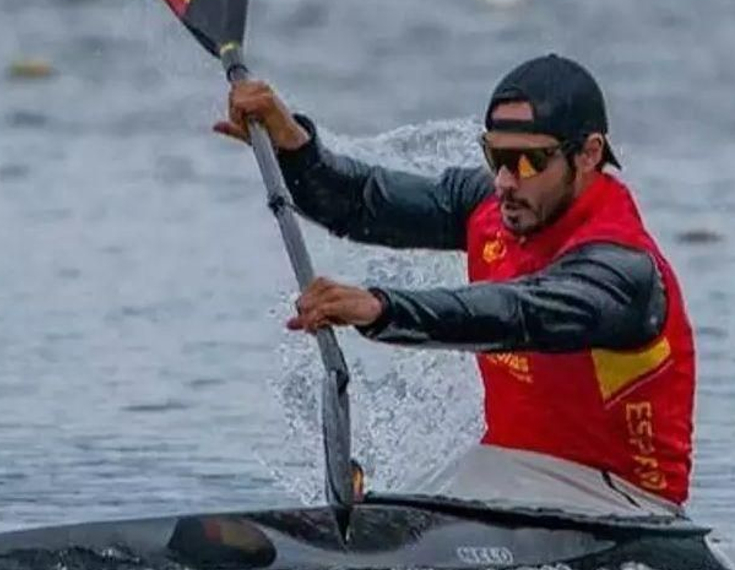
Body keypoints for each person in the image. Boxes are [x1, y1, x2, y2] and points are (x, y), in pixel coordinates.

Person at [215, 54, 696, 516]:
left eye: (530, 161)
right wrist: (291, 146)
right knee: (448, 487)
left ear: (589, 154)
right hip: (512, 480)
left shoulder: (623, 270)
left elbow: (514, 313)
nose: (506, 180)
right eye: (496, 156)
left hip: (624, 505)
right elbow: (360, 202)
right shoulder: (489, 206)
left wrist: (382, 308)